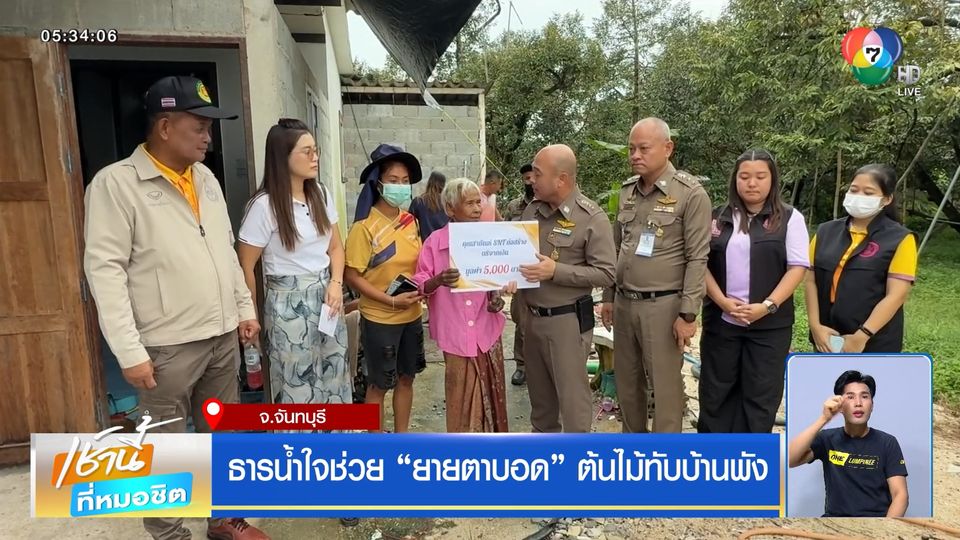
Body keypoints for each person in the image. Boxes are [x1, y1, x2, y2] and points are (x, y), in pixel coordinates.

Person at [83, 75, 268, 540]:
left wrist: (244, 309)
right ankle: (169, 533)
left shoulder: (205, 179)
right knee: (165, 447)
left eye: (210, 127)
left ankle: (222, 520)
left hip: (221, 336)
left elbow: (225, 250)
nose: (209, 137)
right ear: (164, 127)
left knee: (222, 438)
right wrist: (129, 351)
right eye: (199, 126)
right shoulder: (116, 185)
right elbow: (105, 272)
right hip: (166, 346)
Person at [600, 118, 711, 434]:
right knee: (627, 384)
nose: (635, 155)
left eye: (644, 148)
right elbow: (616, 247)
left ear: (668, 148)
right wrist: (608, 297)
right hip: (625, 303)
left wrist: (688, 314)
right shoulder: (627, 192)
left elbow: (697, 257)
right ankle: (634, 449)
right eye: (631, 149)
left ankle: (665, 456)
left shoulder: (690, 194)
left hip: (664, 307)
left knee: (665, 390)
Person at [237, 118, 350, 408]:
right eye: (306, 151)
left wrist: (336, 283)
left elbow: (336, 247)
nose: (315, 158)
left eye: (316, 150)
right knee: (297, 387)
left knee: (334, 377)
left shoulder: (320, 194)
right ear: (282, 157)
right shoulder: (264, 206)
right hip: (288, 306)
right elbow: (245, 267)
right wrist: (249, 315)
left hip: (327, 299)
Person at [697, 149, 809, 433]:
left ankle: (751, 454)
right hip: (722, 322)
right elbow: (700, 263)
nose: (751, 183)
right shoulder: (717, 217)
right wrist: (721, 301)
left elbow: (797, 267)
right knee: (715, 393)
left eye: (760, 176)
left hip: (769, 327)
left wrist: (768, 305)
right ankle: (712, 455)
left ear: (773, 180)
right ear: (735, 179)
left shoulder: (789, 218)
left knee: (761, 396)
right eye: (744, 176)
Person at [518, 144, 616, 433]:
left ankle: (576, 457)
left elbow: (606, 273)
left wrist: (556, 271)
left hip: (567, 323)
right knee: (541, 407)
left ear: (561, 179)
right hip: (532, 320)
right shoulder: (532, 210)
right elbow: (517, 255)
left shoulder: (590, 218)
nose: (532, 180)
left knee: (573, 407)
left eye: (538, 174)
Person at [413, 177, 516, 432]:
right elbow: (420, 283)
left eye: (478, 202)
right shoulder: (435, 243)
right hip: (455, 333)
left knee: (491, 394)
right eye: (469, 203)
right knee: (458, 395)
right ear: (450, 209)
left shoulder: (490, 239)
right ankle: (460, 447)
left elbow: (495, 281)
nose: (477, 209)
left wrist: (495, 298)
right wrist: (438, 279)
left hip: (486, 330)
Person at [344, 144, 426, 434]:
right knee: (378, 385)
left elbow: (421, 265)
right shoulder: (364, 226)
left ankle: (402, 439)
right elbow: (351, 275)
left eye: (405, 181)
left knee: (407, 378)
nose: (400, 187)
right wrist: (389, 301)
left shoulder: (411, 221)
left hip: (411, 315)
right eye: (393, 180)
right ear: (378, 183)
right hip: (380, 319)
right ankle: (376, 445)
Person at [805, 164, 918, 353]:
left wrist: (862, 335)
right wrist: (815, 326)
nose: (858, 196)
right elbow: (810, 281)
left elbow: (896, 295)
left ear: (887, 199)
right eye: (854, 190)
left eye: (868, 192)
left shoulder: (901, 239)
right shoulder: (825, 231)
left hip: (874, 341)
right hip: (826, 336)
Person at [788, 370, 909, 517]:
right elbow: (789, 459)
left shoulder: (887, 443)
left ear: (872, 405)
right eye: (850, 397)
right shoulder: (827, 439)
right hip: (834, 522)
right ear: (840, 405)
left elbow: (900, 495)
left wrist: (885, 528)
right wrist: (824, 419)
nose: (858, 403)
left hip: (876, 523)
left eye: (865, 396)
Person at [505, 163, 536, 385]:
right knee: (522, 321)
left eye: (534, 177)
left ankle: (541, 366)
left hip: (546, 272)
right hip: (520, 274)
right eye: (527, 178)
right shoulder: (514, 207)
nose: (531, 182)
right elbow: (504, 236)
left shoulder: (552, 204)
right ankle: (522, 366)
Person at [409, 171, 449, 241]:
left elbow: (410, 224)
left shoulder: (418, 201)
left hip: (424, 243)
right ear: (443, 184)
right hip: (443, 243)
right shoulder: (447, 202)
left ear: (429, 182)